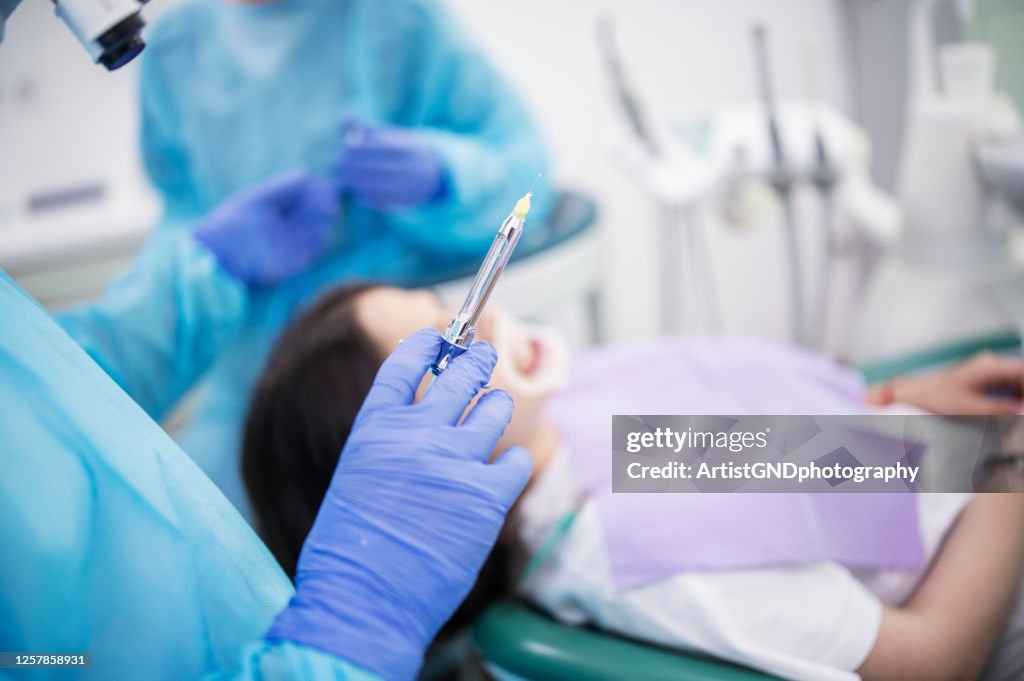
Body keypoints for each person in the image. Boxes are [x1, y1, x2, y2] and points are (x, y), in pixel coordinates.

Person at [241, 283, 1024, 681]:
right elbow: (935, 660)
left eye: (456, 304)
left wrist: (886, 405)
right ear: (402, 470)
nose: (485, 322)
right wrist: (1009, 469)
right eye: (446, 351)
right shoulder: (641, 543)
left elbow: (778, 456)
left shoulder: (578, 423)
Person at [137, 0, 552, 514]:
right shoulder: (175, 49)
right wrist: (209, 253)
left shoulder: (393, 20)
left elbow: (520, 160)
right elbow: (178, 210)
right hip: (242, 387)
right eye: (449, 322)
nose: (487, 316)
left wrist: (442, 175)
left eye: (446, 324)